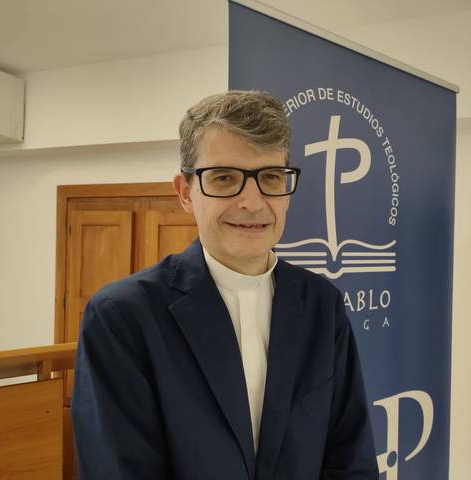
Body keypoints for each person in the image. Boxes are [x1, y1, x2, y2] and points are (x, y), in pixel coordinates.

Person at [71, 90, 378, 479]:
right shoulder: (123, 316)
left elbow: (351, 460)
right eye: (225, 178)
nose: (252, 202)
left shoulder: (321, 305)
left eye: (269, 177)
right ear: (185, 192)